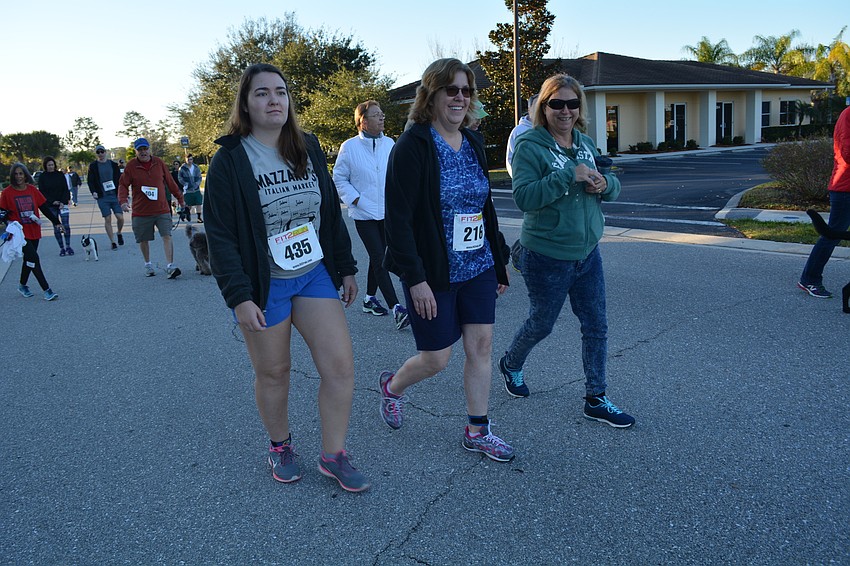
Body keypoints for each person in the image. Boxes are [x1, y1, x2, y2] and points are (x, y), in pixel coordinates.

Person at [203, 63, 369, 492]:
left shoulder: (307, 147)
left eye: (280, 92)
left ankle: (334, 455)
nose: (273, 100)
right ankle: (280, 445)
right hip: (265, 282)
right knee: (275, 371)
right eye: (262, 93)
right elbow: (220, 235)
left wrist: (346, 267)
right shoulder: (231, 159)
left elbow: (329, 213)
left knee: (340, 367)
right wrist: (239, 296)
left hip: (312, 273)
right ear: (246, 103)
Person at [380, 58, 514, 463]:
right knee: (437, 358)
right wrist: (414, 279)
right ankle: (392, 388)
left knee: (482, 347)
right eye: (450, 90)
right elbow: (398, 221)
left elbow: (484, 208)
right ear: (431, 95)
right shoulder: (413, 146)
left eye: (466, 91)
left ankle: (478, 429)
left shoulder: (473, 141)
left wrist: (499, 263)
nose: (459, 98)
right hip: (433, 270)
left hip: (477, 265)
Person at [498, 73, 635, 429]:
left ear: (580, 108)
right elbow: (524, 198)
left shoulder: (586, 143)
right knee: (542, 324)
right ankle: (511, 363)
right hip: (546, 255)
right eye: (556, 103)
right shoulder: (530, 146)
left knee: (596, 325)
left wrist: (607, 184)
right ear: (544, 107)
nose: (565, 110)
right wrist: (566, 177)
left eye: (572, 104)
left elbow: (612, 185)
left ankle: (596, 397)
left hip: (587, 253)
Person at [333, 100, 409, 330]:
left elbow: (397, 175)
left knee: (381, 257)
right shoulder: (349, 147)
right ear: (362, 121)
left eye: (382, 114)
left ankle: (368, 299)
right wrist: (356, 199)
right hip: (364, 214)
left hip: (387, 212)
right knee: (378, 257)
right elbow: (339, 177)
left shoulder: (389, 143)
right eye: (376, 115)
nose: (382, 118)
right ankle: (397, 307)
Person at [798, 104, 850, 298]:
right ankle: (809, 279)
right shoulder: (848, 115)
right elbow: (847, 151)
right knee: (832, 235)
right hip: (845, 188)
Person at [118, 138, 185, 278]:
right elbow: (123, 185)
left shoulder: (158, 163)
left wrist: (180, 198)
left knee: (167, 235)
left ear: (149, 149)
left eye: (145, 149)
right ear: (136, 151)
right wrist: (123, 201)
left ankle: (170, 266)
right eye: (140, 150)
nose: (143, 152)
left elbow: (170, 182)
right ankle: (148, 264)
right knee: (143, 239)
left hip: (161, 208)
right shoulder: (131, 166)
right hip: (141, 211)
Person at [1, 163, 62, 300]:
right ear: (12, 176)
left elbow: (44, 208)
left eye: (21, 174)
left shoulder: (32, 190)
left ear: (25, 175)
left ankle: (22, 285)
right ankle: (47, 290)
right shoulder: (7, 193)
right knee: (34, 257)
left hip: (33, 229)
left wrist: (56, 222)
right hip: (19, 233)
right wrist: (7, 222)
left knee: (29, 259)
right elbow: (2, 212)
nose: (18, 177)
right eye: (15, 174)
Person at [87, 144, 125, 250]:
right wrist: (93, 191)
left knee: (120, 217)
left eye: (102, 152)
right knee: (107, 218)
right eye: (98, 152)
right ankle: (112, 241)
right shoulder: (93, 166)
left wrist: (123, 193)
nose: (100, 154)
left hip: (114, 195)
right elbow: (91, 181)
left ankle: (119, 232)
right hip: (102, 196)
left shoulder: (113, 165)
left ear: (105, 152)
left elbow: (120, 180)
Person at [37, 156, 73, 256]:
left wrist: (62, 201)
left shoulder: (60, 175)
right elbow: (42, 192)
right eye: (49, 165)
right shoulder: (43, 177)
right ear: (45, 166)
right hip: (51, 205)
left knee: (66, 225)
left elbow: (65, 189)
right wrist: (53, 201)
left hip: (63, 204)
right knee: (57, 226)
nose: (51, 167)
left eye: (52, 165)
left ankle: (68, 246)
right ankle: (61, 248)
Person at [505, 93, 539, 177]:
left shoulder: (551, 129)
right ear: (529, 109)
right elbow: (511, 159)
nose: (539, 110)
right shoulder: (519, 131)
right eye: (536, 107)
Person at [178, 154, 203, 223]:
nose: (190, 161)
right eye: (188, 159)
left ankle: (199, 217)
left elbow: (199, 176)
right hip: (188, 189)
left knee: (199, 202)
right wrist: (185, 183)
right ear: (186, 160)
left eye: (191, 159)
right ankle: (186, 213)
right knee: (189, 204)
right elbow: (180, 178)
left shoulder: (196, 167)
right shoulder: (182, 168)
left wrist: (197, 183)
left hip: (196, 188)